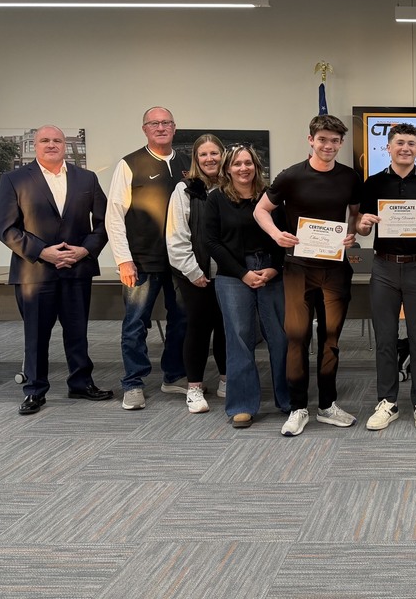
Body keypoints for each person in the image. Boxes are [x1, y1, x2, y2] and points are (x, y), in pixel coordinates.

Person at [0, 124, 113, 415]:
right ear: (35, 145)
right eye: (44, 140)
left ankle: (81, 383)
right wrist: (41, 251)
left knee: (77, 331)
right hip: (34, 272)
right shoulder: (14, 179)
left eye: (57, 140)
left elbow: (104, 222)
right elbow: (4, 227)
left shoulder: (87, 178)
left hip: (77, 267)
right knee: (36, 334)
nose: (51, 144)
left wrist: (84, 249)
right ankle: (35, 390)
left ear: (64, 145)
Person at [254, 115, 361, 438]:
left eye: (334, 141)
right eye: (323, 139)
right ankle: (298, 407)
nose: (328, 146)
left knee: (331, 340)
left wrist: (352, 234)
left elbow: (355, 215)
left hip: (335, 269)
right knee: (297, 338)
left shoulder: (350, 178)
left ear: (341, 143)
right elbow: (260, 210)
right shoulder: (291, 176)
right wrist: (276, 235)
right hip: (298, 269)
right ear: (311, 140)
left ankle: (327, 405)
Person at [356, 123, 416, 431]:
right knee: (384, 338)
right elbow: (361, 226)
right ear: (389, 148)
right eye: (399, 143)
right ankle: (388, 402)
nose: (405, 148)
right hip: (383, 268)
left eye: (411, 143)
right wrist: (364, 225)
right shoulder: (373, 183)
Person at [107, 106, 189, 411]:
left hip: (179, 259)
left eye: (166, 122)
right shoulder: (130, 164)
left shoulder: (186, 163)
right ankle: (133, 382)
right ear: (145, 129)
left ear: (174, 127)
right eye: (154, 123)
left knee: (182, 319)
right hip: (141, 260)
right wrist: (123, 260)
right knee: (135, 323)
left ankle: (174, 374)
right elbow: (114, 216)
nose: (161, 127)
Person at [205, 144, 290, 428]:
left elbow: (283, 235)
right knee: (239, 338)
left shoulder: (271, 198)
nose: (244, 168)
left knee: (279, 336)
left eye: (249, 163)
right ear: (227, 169)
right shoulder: (216, 199)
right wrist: (242, 273)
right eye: (237, 164)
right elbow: (212, 243)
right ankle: (242, 405)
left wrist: (275, 268)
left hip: (270, 271)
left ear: (256, 166)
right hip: (233, 275)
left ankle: (287, 399)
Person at [167, 134, 227, 414]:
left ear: (222, 155)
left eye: (214, 153)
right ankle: (194, 388)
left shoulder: (233, 187)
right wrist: (193, 271)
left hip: (229, 273)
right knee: (199, 328)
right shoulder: (184, 190)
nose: (210, 159)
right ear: (196, 159)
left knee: (228, 328)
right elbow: (177, 237)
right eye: (203, 155)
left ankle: (226, 380)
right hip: (194, 273)